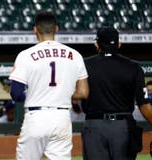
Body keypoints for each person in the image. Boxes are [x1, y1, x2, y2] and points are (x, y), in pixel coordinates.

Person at [9, 11, 89, 160]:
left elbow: (16, 93)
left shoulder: (26, 55)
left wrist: (38, 93)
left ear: (35, 30)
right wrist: (60, 93)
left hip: (36, 116)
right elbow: (83, 92)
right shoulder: (75, 55)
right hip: (62, 117)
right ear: (57, 29)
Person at [82, 27, 152, 160]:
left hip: (94, 126)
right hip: (123, 127)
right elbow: (144, 106)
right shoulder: (134, 66)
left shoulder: (84, 65)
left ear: (96, 44)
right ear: (119, 44)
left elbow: (76, 95)